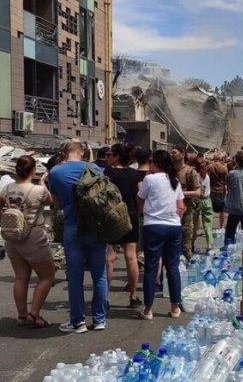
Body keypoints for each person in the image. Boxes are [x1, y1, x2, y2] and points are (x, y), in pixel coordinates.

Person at [49, 142, 108, 334]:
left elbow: (56, 204)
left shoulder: (56, 172)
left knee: (75, 276)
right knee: (99, 275)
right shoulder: (96, 169)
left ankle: (78, 322)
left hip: (73, 227)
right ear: (82, 153)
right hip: (97, 228)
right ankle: (99, 320)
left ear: (63, 153)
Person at [0, 156, 54, 328]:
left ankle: (22, 316)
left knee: (21, 277)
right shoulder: (38, 190)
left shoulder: (7, 188)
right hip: (33, 236)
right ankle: (34, 314)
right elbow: (50, 202)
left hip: (12, 237)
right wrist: (44, 182)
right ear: (33, 171)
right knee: (47, 276)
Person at [136, 150, 185, 320]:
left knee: (151, 267)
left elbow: (140, 199)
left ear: (156, 163)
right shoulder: (175, 181)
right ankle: (175, 307)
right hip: (173, 226)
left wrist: (140, 212)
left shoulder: (149, 179)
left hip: (154, 225)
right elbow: (181, 206)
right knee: (172, 267)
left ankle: (148, 309)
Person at [103, 144, 142, 309]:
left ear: (117, 156)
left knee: (109, 258)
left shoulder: (109, 173)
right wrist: (136, 211)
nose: (107, 157)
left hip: (112, 216)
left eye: (110, 154)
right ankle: (133, 296)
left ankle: (105, 297)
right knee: (131, 257)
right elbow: (140, 195)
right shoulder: (135, 174)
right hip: (130, 214)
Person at [171, 144, 203, 260]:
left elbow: (198, 192)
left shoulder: (190, 172)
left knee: (186, 243)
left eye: (174, 152)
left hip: (186, 212)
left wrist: (179, 194)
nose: (172, 155)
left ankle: (186, 266)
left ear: (182, 154)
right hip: (170, 211)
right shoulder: (170, 170)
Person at [194, 158, 214, 250]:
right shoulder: (208, 177)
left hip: (197, 200)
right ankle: (209, 243)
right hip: (206, 200)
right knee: (207, 222)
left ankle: (191, 243)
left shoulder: (196, 176)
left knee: (194, 222)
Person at [207, 153, 228, 229]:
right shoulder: (224, 168)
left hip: (211, 189)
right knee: (222, 210)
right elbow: (226, 180)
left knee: (210, 209)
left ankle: (209, 226)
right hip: (221, 190)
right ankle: (221, 226)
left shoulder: (209, 167)